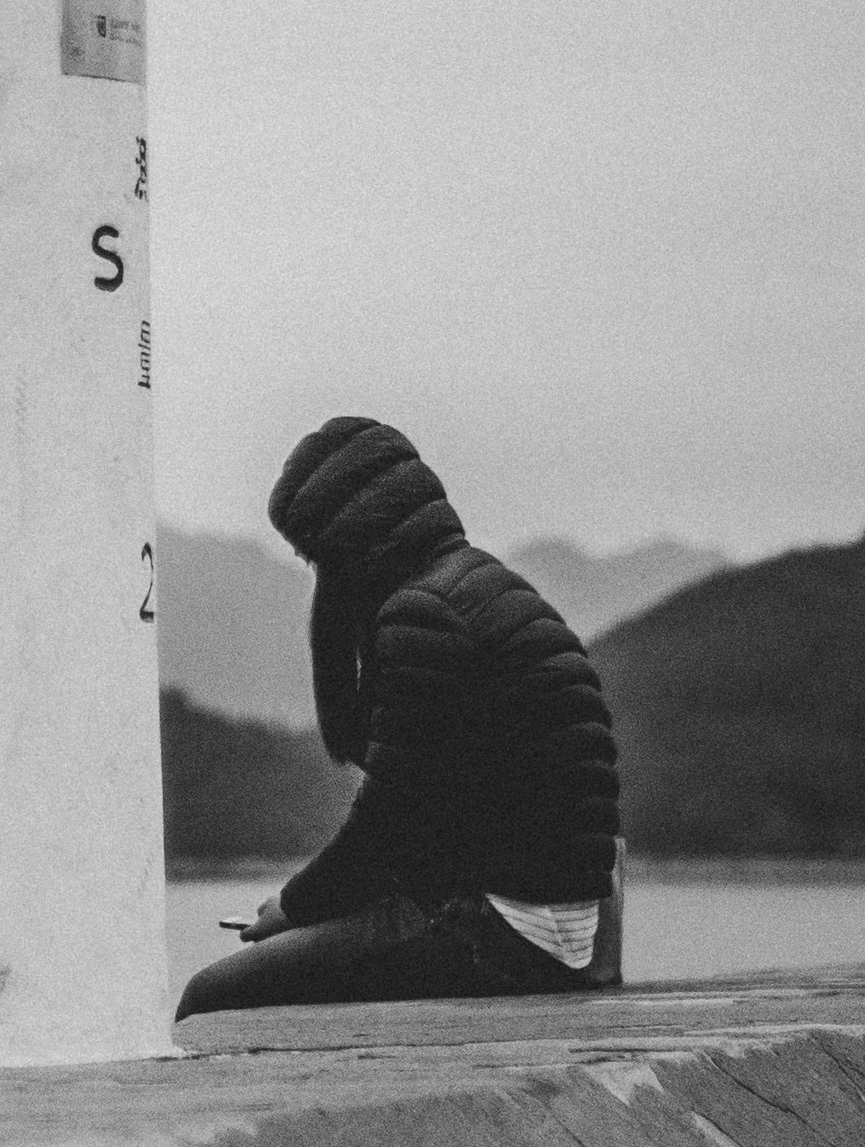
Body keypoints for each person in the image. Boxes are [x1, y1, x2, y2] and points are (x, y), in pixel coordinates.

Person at [176, 416, 621, 1020]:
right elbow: (433, 812)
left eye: (312, 555)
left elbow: (389, 818)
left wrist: (293, 905)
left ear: (344, 543)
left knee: (212, 997)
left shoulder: (422, 614)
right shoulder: (487, 586)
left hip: (503, 930)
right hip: (567, 924)